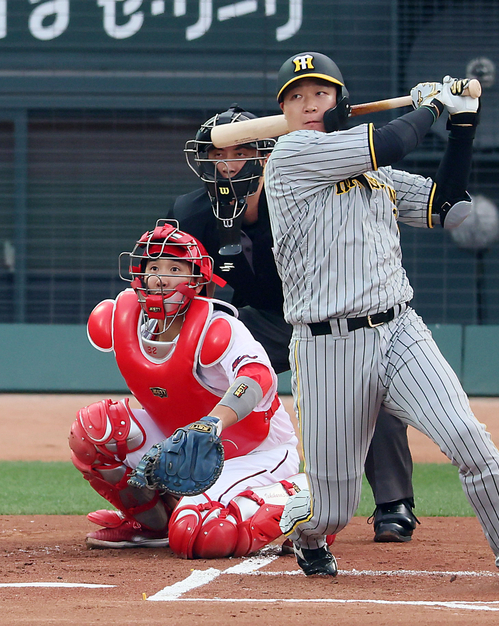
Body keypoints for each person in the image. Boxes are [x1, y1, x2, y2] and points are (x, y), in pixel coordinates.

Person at [264, 51, 499, 587]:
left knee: (467, 437)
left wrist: (462, 123)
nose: (307, 105)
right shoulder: (290, 154)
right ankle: (305, 532)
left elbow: (450, 208)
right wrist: (430, 108)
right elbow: (388, 141)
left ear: (340, 100)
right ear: (283, 111)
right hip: (328, 347)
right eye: (295, 97)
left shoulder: (377, 176)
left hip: (398, 329)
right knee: (332, 508)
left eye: (319, 94)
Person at [168, 105, 419, 543]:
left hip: (320, 311)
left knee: (366, 384)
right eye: (217, 154)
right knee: (196, 368)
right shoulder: (190, 212)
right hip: (252, 323)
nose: (227, 164)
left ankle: (393, 504)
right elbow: (188, 287)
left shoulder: (297, 191)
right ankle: (193, 490)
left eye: (241, 151)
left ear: (265, 154)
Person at [69, 220, 307, 558]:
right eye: (154, 266)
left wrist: (213, 423)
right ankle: (152, 524)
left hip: (256, 450)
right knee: (94, 430)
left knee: (201, 535)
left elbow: (257, 377)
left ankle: (301, 503)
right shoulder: (120, 320)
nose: (161, 277)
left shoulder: (218, 327)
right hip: (184, 442)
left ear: (197, 279)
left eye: (175, 267)